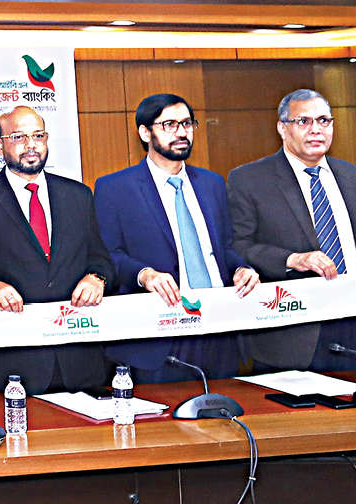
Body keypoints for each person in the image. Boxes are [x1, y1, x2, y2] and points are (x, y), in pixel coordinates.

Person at [228, 89, 356, 372]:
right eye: (303, 121)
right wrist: (293, 259)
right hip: (296, 333)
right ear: (282, 128)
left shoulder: (353, 175)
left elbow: (355, 237)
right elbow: (238, 246)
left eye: (323, 121)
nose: (316, 130)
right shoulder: (249, 179)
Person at [0, 105, 114, 394]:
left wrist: (96, 278)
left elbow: (101, 258)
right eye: (18, 137)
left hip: (80, 360)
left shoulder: (78, 195)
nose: (31, 145)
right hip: (11, 363)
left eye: (38, 135)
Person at [95, 94, 258, 383]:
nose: (182, 132)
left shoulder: (212, 183)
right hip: (161, 333)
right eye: (169, 124)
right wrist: (144, 274)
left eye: (187, 123)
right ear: (145, 132)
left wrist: (240, 268)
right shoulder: (115, 188)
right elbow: (108, 256)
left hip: (219, 328)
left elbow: (223, 248)